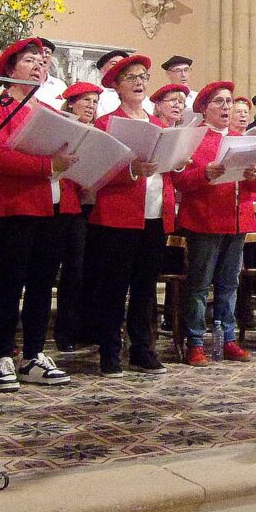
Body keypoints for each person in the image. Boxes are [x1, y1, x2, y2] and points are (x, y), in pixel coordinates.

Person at [0, 38, 74, 391]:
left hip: (49, 206)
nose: (38, 66)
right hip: (10, 207)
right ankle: (1, 355)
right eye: (30, 60)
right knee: (6, 284)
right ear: (10, 68)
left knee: (41, 284)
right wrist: (48, 165)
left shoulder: (47, 110)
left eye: (42, 62)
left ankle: (34, 353)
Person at [88, 56, 174, 377]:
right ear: (116, 85)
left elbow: (168, 168)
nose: (139, 82)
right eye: (131, 78)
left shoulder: (159, 124)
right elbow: (97, 172)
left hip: (155, 213)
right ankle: (109, 352)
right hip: (118, 215)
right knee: (114, 287)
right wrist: (131, 170)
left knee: (145, 286)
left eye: (143, 76)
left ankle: (142, 349)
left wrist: (177, 161)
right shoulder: (106, 124)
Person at [175, 81, 256, 366]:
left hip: (236, 219)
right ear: (204, 108)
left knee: (229, 284)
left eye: (229, 101)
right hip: (205, 219)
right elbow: (179, 181)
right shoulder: (194, 139)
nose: (226, 107)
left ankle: (228, 339)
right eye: (219, 102)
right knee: (200, 285)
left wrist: (253, 177)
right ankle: (196, 342)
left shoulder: (241, 138)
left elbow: (255, 186)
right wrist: (205, 173)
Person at [55, 81, 101, 351]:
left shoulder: (97, 131)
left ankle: (89, 326)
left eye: (95, 102)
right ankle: (66, 330)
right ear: (71, 103)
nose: (91, 106)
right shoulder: (65, 129)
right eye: (85, 101)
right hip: (68, 204)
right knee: (72, 270)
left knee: (91, 269)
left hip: (93, 205)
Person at [33, 37, 68, 109]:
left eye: (47, 52)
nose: (44, 55)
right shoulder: (23, 84)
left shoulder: (60, 85)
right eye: (40, 52)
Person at [95, 49, 131, 116]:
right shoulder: (96, 95)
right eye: (114, 64)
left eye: (122, 64)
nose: (119, 67)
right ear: (102, 69)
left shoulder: (137, 96)